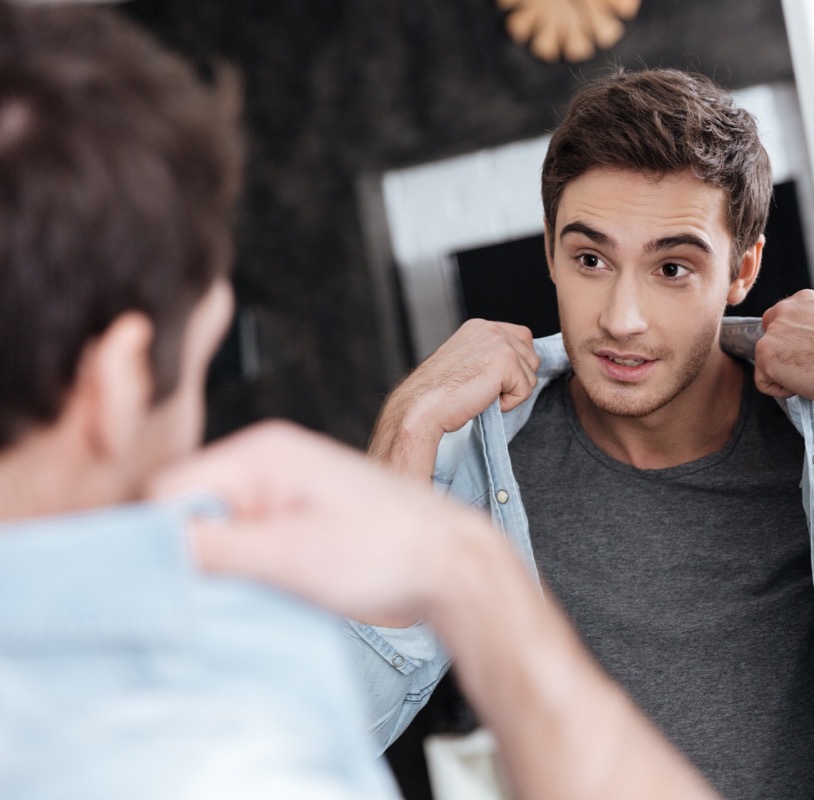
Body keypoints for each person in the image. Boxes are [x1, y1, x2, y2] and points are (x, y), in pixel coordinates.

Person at [0, 5, 716, 798]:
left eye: (673, 268)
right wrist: (472, 573)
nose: (623, 316)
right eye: (208, 351)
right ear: (121, 383)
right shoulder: (202, 744)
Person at [365, 68, 814, 799]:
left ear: (742, 269)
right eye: (591, 260)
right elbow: (325, 723)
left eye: (672, 267)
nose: (621, 317)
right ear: (550, 254)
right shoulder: (476, 469)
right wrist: (407, 418)